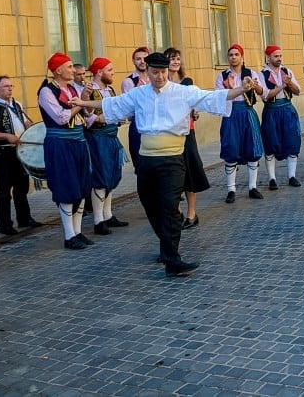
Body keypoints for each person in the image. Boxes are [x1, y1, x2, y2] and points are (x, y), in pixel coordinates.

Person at [72, 52, 252, 275]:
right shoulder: (139, 94)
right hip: (147, 159)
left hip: (173, 160)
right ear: (146, 72)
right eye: (155, 72)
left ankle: (172, 258)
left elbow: (214, 96)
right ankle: (167, 244)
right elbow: (112, 104)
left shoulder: (182, 92)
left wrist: (242, 89)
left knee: (169, 206)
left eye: (163, 72)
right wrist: (82, 102)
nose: (160, 76)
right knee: (150, 204)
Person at [39, 53, 94, 250]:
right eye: (69, 66)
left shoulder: (72, 89)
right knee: (66, 187)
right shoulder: (47, 91)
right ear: (58, 70)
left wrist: (85, 99)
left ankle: (78, 232)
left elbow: (86, 116)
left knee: (81, 186)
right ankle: (69, 235)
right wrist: (79, 105)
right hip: (60, 143)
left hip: (78, 141)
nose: (73, 70)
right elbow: (61, 117)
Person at [0, 76, 42, 235]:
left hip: (20, 150)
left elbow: (22, 123)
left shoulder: (17, 104)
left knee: (21, 187)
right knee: (4, 190)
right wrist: (7, 136)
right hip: (5, 152)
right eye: (6, 86)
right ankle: (5, 224)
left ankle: (24, 218)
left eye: (11, 86)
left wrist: (30, 127)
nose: (10, 89)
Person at [80, 57, 130, 235]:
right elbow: (87, 116)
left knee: (112, 175)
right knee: (101, 177)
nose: (112, 73)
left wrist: (118, 118)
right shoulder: (89, 91)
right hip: (97, 138)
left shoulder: (110, 90)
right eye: (109, 70)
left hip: (111, 136)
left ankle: (107, 215)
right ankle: (98, 220)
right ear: (99, 72)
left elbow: (114, 110)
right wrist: (98, 116)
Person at [164, 48, 211, 227]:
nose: (175, 62)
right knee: (173, 172)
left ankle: (192, 213)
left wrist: (194, 111)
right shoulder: (161, 83)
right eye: (171, 59)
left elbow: (193, 102)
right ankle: (177, 211)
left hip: (186, 131)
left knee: (190, 170)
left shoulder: (187, 82)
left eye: (177, 59)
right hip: (168, 133)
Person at [215, 44, 265, 202]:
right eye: (231, 55)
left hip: (247, 111)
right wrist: (228, 89)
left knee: (252, 147)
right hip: (230, 113)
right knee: (231, 148)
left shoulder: (250, 73)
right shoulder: (222, 76)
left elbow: (262, 92)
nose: (233, 57)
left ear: (242, 57)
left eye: (237, 54)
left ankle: (252, 187)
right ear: (228, 58)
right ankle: (231, 190)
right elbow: (218, 97)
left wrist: (255, 85)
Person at [260, 45, 303, 189]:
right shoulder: (262, 75)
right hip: (271, 111)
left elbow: (298, 91)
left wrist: (289, 82)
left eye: (280, 56)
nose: (279, 59)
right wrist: (281, 86)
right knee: (271, 143)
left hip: (287, 108)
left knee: (292, 141)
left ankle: (292, 176)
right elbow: (265, 96)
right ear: (268, 57)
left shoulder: (287, 71)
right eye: (276, 56)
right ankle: (272, 178)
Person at [121, 47, 151, 172]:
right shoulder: (129, 81)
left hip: (157, 124)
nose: (142, 61)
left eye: (145, 58)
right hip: (138, 125)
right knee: (141, 166)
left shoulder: (155, 78)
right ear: (133, 61)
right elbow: (133, 107)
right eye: (138, 59)